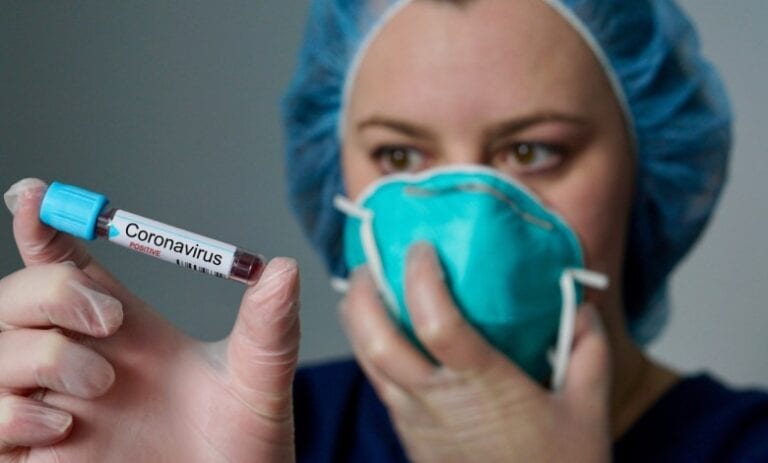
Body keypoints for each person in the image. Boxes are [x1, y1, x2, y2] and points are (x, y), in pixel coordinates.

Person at [0, 1, 765, 463]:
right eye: (400, 155)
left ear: (651, 163)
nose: (464, 217)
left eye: (532, 150)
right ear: (339, 180)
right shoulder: (257, 426)